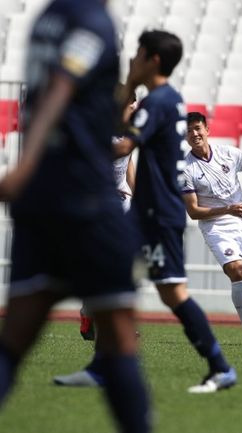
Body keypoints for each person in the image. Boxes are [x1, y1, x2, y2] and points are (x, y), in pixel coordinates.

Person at [54, 29, 235, 394]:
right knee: (111, 279)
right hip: (147, 211)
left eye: (138, 55)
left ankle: (220, 367)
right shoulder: (164, 101)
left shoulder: (159, 102)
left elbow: (123, 147)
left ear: (152, 60)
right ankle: (103, 366)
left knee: (173, 294)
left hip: (159, 214)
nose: (133, 60)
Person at [0, 1, 150, 431]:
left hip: (39, 203)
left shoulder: (46, 19)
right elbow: (62, 86)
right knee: (119, 336)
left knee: (14, 338)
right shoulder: (93, 23)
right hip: (84, 201)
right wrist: (25, 164)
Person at [181, 111, 242, 348]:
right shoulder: (185, 169)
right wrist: (227, 209)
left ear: (207, 129)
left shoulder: (228, 153)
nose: (194, 134)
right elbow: (194, 212)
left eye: (198, 128)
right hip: (216, 227)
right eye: (189, 131)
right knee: (237, 270)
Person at [79, 90, 137, 341]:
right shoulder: (99, 126)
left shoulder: (129, 130)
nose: (134, 109)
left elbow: (128, 163)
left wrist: (139, 194)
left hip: (122, 203)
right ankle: (90, 311)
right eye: (130, 104)